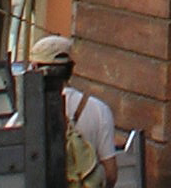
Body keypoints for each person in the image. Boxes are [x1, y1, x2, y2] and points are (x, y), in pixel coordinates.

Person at [29, 38, 117, 188]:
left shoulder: (28, 112)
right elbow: (111, 173)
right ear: (70, 68)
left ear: (35, 68)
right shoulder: (99, 109)